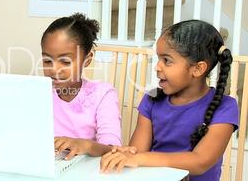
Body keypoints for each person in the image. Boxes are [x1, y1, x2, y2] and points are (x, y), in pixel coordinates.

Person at [100, 20, 239, 181]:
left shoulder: (225, 107)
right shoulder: (151, 99)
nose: (157, 67)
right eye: (158, 59)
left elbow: (200, 161)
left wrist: (140, 158)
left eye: (167, 60)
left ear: (198, 69)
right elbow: (136, 151)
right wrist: (128, 156)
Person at [41, 13, 121, 160]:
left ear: (87, 60)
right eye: (47, 60)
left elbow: (113, 149)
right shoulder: (38, 92)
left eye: (65, 61)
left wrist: (86, 145)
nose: (54, 69)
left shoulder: (103, 94)